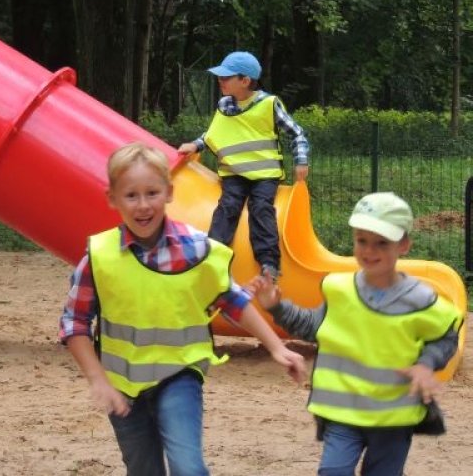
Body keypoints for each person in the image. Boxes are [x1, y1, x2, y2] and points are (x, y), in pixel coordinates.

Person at [59, 141, 306, 476]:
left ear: (170, 192)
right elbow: (75, 323)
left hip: (179, 374)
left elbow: (231, 299)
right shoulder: (99, 257)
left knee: (188, 468)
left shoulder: (197, 249)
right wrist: (97, 380)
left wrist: (277, 347)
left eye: (152, 193)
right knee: (143, 470)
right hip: (122, 385)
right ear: (112, 198)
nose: (143, 205)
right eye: (131, 195)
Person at [254, 191, 464, 476]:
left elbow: (445, 336)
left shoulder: (420, 300)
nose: (369, 250)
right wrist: (276, 307)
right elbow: (312, 326)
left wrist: (426, 364)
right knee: (333, 471)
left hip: (393, 417)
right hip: (344, 412)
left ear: (403, 245)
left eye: (381, 243)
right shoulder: (340, 290)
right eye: (362, 240)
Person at [177, 51, 309, 283]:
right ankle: (212, 256)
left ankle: (269, 263)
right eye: (220, 76)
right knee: (227, 207)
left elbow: (296, 133)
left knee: (261, 208)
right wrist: (196, 145)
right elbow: (214, 133)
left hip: (264, 175)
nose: (220, 80)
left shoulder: (268, 104)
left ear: (245, 81)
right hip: (234, 174)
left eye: (226, 77)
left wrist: (301, 160)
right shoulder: (224, 105)